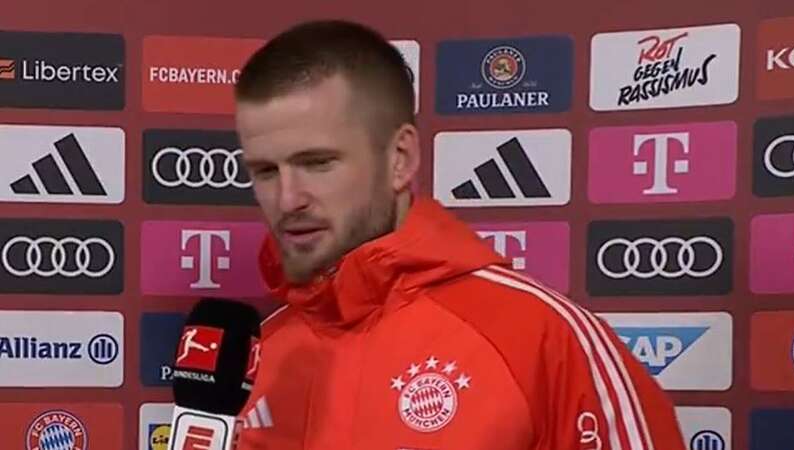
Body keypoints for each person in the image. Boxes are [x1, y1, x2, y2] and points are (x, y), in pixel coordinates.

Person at [233, 19, 686, 450]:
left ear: (400, 159)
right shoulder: (257, 357)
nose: (287, 198)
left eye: (318, 163)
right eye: (265, 171)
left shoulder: (543, 338)